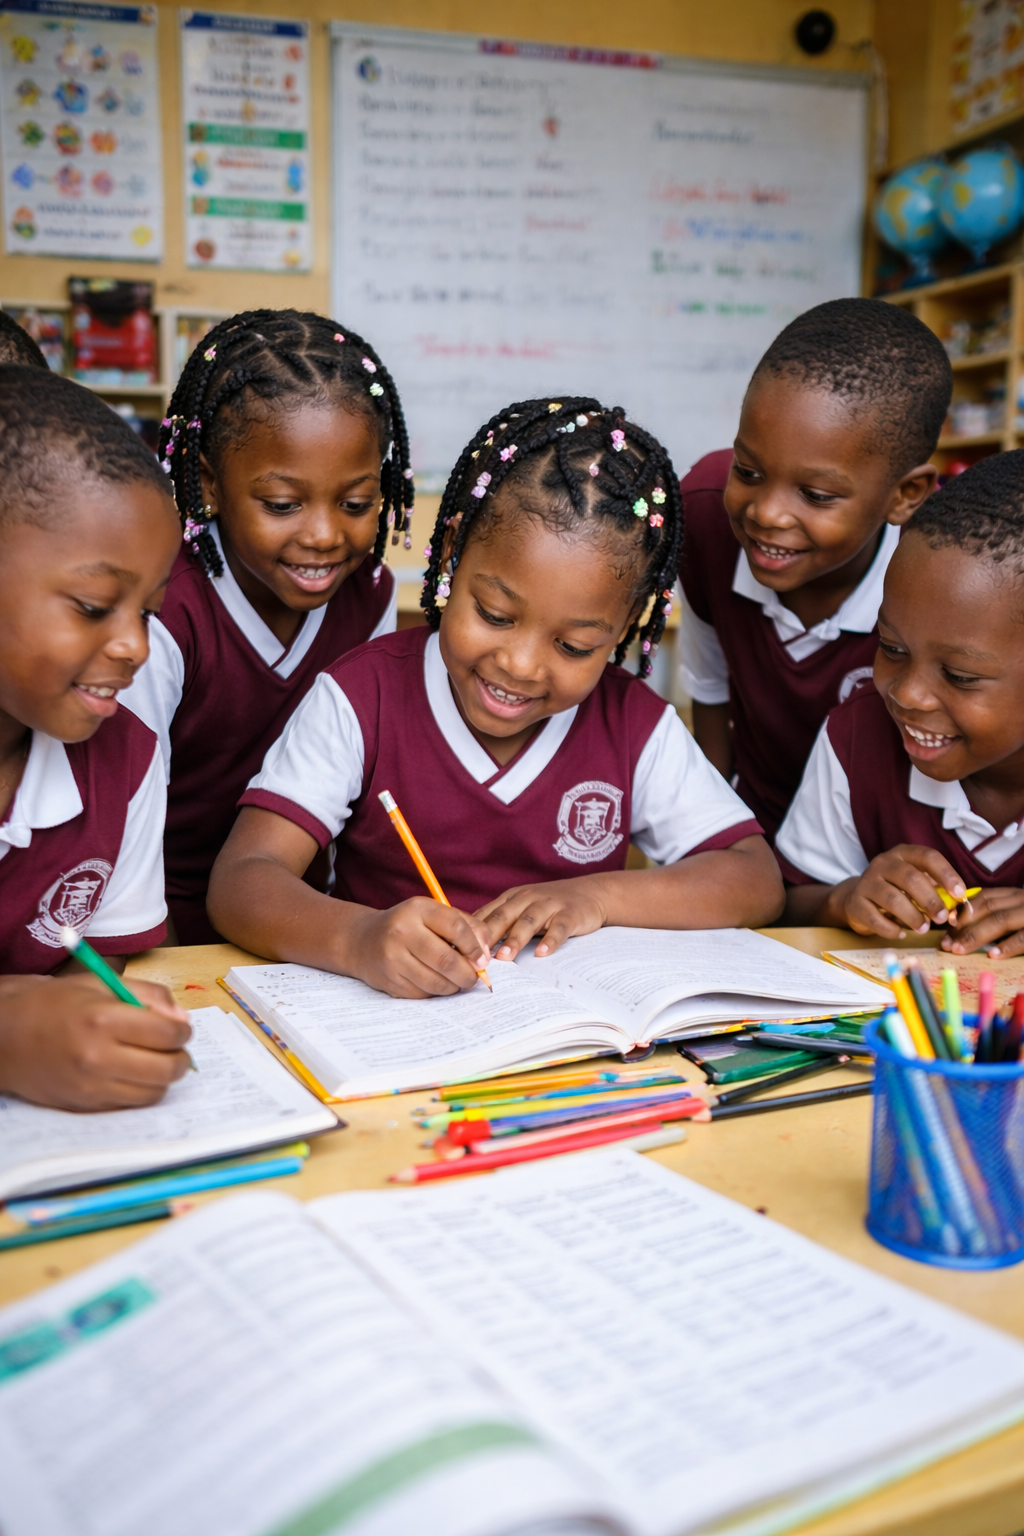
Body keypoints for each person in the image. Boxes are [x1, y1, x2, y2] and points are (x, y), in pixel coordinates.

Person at [208, 397, 784, 998]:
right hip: (389, 1033)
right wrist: (358, 937)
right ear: (453, 552)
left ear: (624, 628)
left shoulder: (633, 725)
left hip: (565, 1042)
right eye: (495, 614)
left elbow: (754, 878)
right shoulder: (361, 698)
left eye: (573, 645)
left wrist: (596, 896)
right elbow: (244, 879)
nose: (520, 664)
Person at [122, 309, 413, 943]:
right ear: (209, 484)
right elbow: (126, 821)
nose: (324, 535)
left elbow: (359, 791)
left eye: (357, 503)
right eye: (282, 505)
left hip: (304, 929)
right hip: (160, 934)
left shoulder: (369, 594)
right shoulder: (167, 611)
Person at [677, 297, 952, 840]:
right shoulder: (706, 516)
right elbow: (709, 686)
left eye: (816, 495)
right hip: (763, 834)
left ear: (906, 495)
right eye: (749, 470)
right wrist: (713, 839)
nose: (766, 513)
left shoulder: (950, 574)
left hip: (895, 858)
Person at [0, 367, 192, 1110]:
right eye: (92, 606)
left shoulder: (127, 755)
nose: (135, 647)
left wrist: (112, 1022)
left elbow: (104, 960)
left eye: (148, 610)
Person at [777, 450, 1024, 959]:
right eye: (892, 648)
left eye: (960, 676)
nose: (906, 694)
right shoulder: (857, 738)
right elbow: (788, 905)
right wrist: (845, 900)